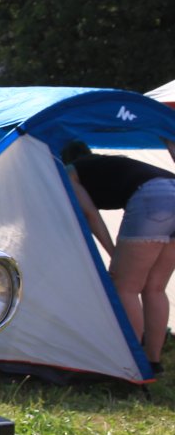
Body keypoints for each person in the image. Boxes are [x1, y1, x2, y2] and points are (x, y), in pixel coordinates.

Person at [61, 140, 175, 375]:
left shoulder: (68, 172)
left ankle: (131, 364)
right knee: (155, 288)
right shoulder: (108, 166)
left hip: (154, 198)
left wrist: (113, 253)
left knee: (125, 286)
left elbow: (90, 215)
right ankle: (153, 362)